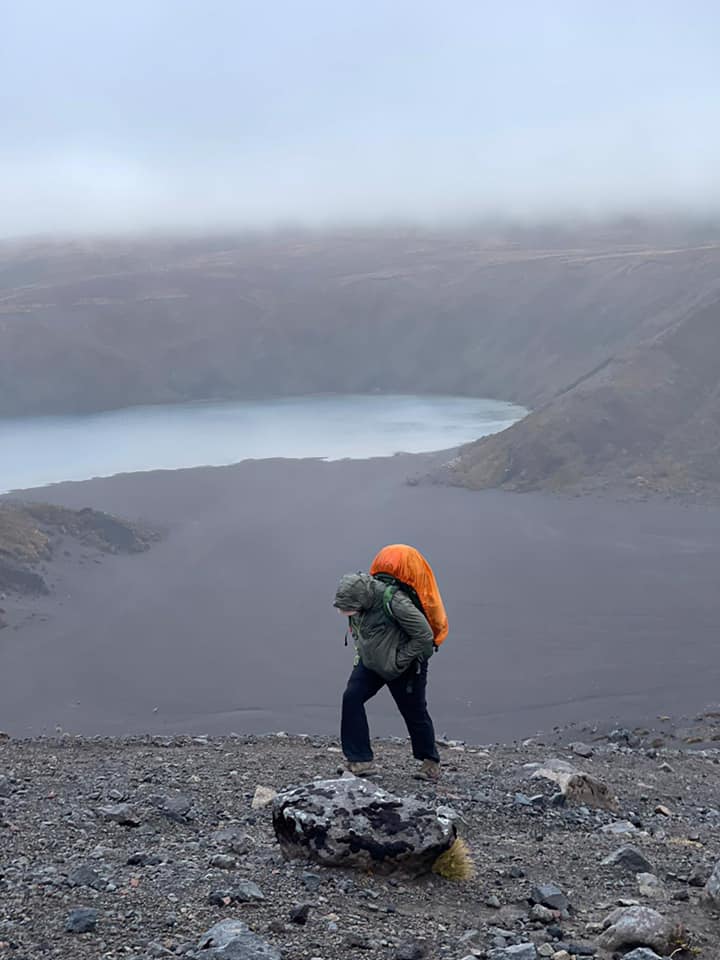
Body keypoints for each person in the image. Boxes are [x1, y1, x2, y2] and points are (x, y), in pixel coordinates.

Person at [333, 570, 441, 781]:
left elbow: (424, 635)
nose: (346, 612)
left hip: (405, 667)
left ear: (361, 598)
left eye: (349, 608)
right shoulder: (360, 604)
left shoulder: (395, 602)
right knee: (352, 697)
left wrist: (399, 660)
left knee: (414, 712)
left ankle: (430, 763)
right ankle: (360, 760)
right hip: (372, 662)